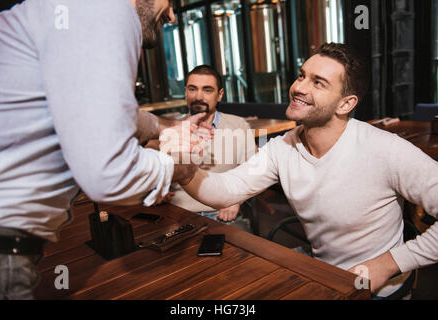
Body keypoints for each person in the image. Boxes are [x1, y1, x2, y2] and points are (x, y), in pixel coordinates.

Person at [168, 43, 438, 298]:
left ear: (345, 104)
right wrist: (185, 171)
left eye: (318, 82)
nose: (299, 87)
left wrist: (391, 263)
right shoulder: (282, 147)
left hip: (380, 292)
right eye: (301, 76)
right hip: (326, 278)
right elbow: (228, 190)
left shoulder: (386, 150)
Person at [0, 0, 209, 299]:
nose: (171, 14)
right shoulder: (105, 9)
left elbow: (94, 107)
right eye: (171, 1)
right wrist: (178, 169)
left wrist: (168, 127)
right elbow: (108, 172)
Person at [167, 65, 256, 230]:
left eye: (207, 90)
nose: (198, 96)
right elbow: (159, 173)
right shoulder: (171, 128)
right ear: (185, 92)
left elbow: (253, 172)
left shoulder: (238, 125)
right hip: (179, 214)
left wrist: (236, 200)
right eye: (193, 89)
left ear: (219, 94)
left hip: (223, 213)